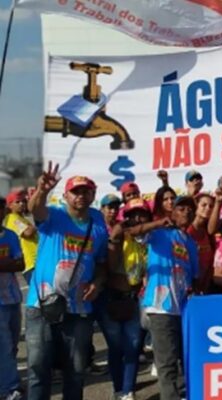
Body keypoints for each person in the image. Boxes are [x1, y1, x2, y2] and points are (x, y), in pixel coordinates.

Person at [26, 165, 109, 400]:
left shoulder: (98, 223)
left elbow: (102, 262)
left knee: (76, 371)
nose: (80, 196)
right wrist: (42, 190)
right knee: (38, 368)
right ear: (65, 195)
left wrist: (98, 283)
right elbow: (35, 209)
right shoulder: (54, 215)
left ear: (93, 195)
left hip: (79, 309)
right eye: (75, 191)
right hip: (42, 305)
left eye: (85, 191)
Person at [142, 195, 199, 400]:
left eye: (190, 210)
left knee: (185, 358)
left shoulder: (190, 242)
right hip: (160, 307)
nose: (186, 212)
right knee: (167, 363)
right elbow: (132, 233)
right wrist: (157, 223)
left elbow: (194, 276)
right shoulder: (159, 234)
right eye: (181, 209)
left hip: (182, 309)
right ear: (172, 212)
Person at [99, 198, 150, 400]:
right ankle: (118, 388)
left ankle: (128, 390)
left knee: (133, 347)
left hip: (135, 299)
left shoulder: (149, 240)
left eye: (142, 215)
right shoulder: (118, 235)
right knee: (116, 347)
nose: (137, 219)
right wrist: (115, 239)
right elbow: (111, 267)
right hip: (111, 299)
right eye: (133, 215)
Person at [0, 196, 25, 400]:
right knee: (4, 346)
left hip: (13, 298)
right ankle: (9, 388)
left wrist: (6, 264)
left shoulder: (10, 235)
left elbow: (20, 264)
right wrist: (6, 263)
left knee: (13, 345)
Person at [3, 188, 38, 285]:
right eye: (17, 202)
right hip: (30, 263)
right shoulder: (12, 218)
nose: (22, 204)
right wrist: (38, 225)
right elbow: (27, 233)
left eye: (23, 201)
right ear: (10, 205)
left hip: (36, 261)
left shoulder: (23, 219)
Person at [188, 193, 216, 294]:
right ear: (196, 207)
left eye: (211, 206)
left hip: (205, 285)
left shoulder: (209, 232)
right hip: (190, 285)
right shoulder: (188, 231)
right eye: (204, 205)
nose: (208, 208)